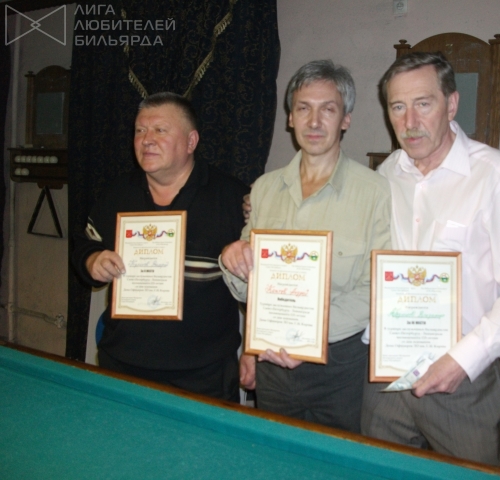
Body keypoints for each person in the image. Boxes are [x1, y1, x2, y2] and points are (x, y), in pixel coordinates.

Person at [360, 52, 500, 465]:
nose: (410, 121)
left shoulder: (495, 174)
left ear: (451, 104)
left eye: (423, 104)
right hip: (386, 377)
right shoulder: (386, 175)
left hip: (462, 382)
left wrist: (462, 361)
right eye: (398, 107)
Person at [220, 60, 391, 433]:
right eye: (303, 108)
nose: (314, 122)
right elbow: (251, 288)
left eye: (327, 109)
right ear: (290, 117)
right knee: (275, 455)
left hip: (340, 368)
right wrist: (231, 259)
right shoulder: (264, 189)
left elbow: (377, 288)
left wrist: (309, 336)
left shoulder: (376, 192)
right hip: (272, 365)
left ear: (345, 119)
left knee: (338, 459)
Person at [72, 92, 248, 402]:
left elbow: (261, 285)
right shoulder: (116, 193)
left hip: (204, 375)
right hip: (123, 365)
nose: (146, 140)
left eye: (160, 130)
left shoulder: (233, 198)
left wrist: (254, 350)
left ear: (191, 141)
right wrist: (93, 260)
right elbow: (84, 244)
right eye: (140, 130)